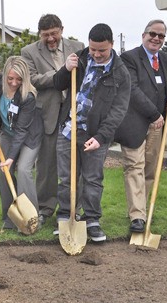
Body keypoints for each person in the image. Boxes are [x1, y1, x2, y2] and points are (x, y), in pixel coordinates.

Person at [52, 23, 130, 242]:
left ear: (112, 45)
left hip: (96, 134)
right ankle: (67, 215)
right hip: (68, 129)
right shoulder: (80, 58)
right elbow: (58, 84)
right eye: (93, 49)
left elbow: (118, 111)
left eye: (101, 50)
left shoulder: (120, 73)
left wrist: (101, 137)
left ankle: (92, 220)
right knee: (67, 178)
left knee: (93, 179)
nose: (96, 54)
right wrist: (65, 69)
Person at [21, 14, 84, 228]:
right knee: (47, 166)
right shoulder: (28, 52)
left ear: (61, 30)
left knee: (75, 163)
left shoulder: (78, 46)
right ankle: (46, 208)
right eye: (46, 35)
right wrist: (61, 72)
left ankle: (75, 207)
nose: (50, 39)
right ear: (40, 34)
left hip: (73, 113)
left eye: (54, 34)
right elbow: (32, 79)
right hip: (48, 115)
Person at [114, 20, 167, 233]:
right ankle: (137, 217)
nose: (156, 38)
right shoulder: (129, 58)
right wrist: (153, 114)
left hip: (157, 124)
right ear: (143, 35)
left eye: (161, 36)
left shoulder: (164, 58)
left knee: (150, 169)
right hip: (135, 123)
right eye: (153, 34)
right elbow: (133, 89)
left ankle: (140, 209)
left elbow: (158, 83)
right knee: (134, 167)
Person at [0, 56, 43, 229]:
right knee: (4, 172)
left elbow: (22, 130)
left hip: (29, 136)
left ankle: (31, 217)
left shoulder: (27, 97)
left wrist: (11, 157)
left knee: (23, 170)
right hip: (7, 133)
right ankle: (10, 216)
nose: (14, 83)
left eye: (19, 79)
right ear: (5, 75)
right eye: (10, 78)